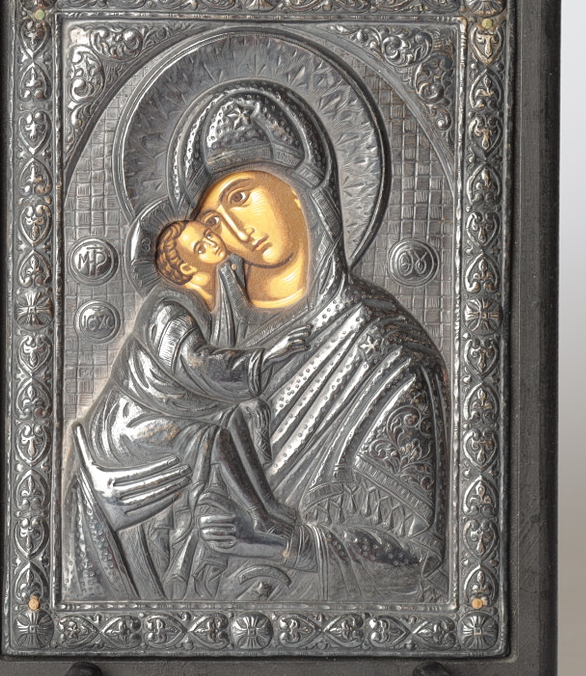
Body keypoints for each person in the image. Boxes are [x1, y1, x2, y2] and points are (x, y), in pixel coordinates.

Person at [67, 81, 448, 605]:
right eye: (212, 220)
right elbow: (100, 478)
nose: (234, 228)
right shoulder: (194, 328)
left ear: (299, 188)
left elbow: (422, 566)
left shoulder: (383, 354)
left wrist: (284, 543)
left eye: (241, 197)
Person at [63, 215, 309, 601]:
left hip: (163, 411)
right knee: (207, 437)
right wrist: (268, 357)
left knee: (232, 416)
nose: (212, 242)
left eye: (208, 235)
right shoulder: (168, 310)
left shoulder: (209, 300)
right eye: (199, 246)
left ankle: (264, 509)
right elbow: (196, 365)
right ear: (182, 267)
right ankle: (251, 516)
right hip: (127, 427)